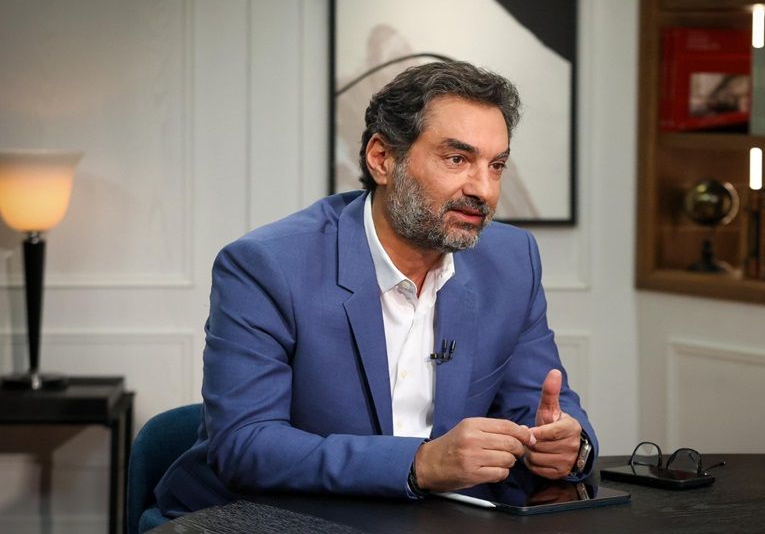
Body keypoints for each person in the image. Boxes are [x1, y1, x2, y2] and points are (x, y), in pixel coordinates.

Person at [155, 61, 597, 514]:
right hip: (274, 514)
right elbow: (246, 444)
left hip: (439, 518)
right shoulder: (267, 266)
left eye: (497, 165)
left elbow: (541, 406)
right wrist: (419, 464)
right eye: (457, 159)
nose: (483, 189)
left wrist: (567, 445)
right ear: (382, 159)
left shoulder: (511, 261)